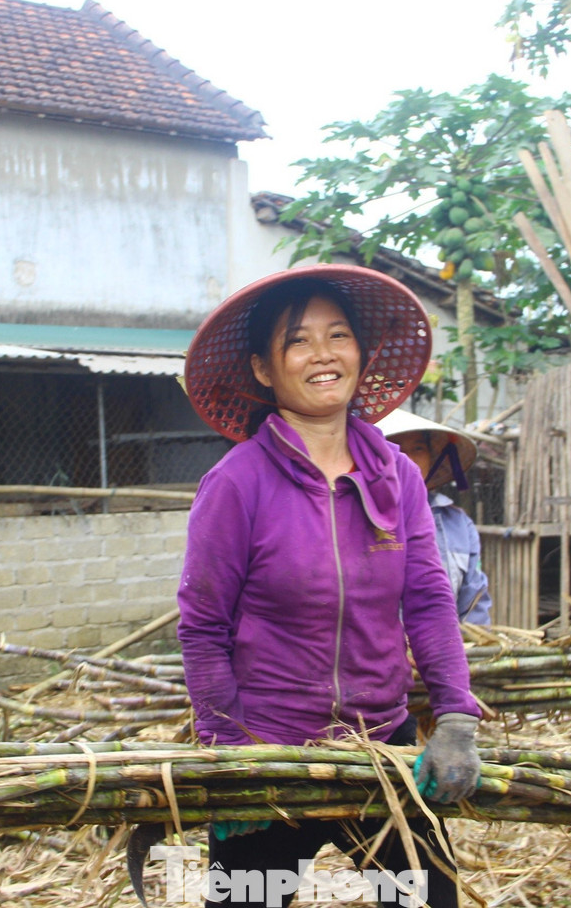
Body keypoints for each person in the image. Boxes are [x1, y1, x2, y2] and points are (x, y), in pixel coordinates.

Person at [178, 264, 482, 908]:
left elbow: (427, 602)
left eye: (337, 335)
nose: (322, 354)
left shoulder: (396, 476)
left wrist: (455, 718)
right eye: (298, 340)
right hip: (271, 755)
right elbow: (203, 628)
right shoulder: (237, 484)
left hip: (383, 747)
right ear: (264, 369)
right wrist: (231, 759)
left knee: (428, 901)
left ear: (361, 356)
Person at [375, 409, 493, 625]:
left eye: (418, 449)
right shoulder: (354, 515)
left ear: (432, 457)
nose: (407, 460)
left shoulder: (457, 524)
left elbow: (474, 604)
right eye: (396, 448)